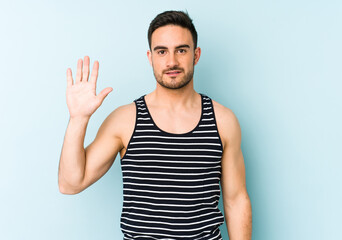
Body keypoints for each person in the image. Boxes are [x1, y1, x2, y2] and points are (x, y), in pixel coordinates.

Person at [58, 10, 252, 240]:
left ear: (196, 55)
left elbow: (236, 200)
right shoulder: (125, 120)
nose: (172, 61)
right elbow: (70, 183)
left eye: (181, 50)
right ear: (150, 57)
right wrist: (78, 119)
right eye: (162, 51)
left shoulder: (223, 120)